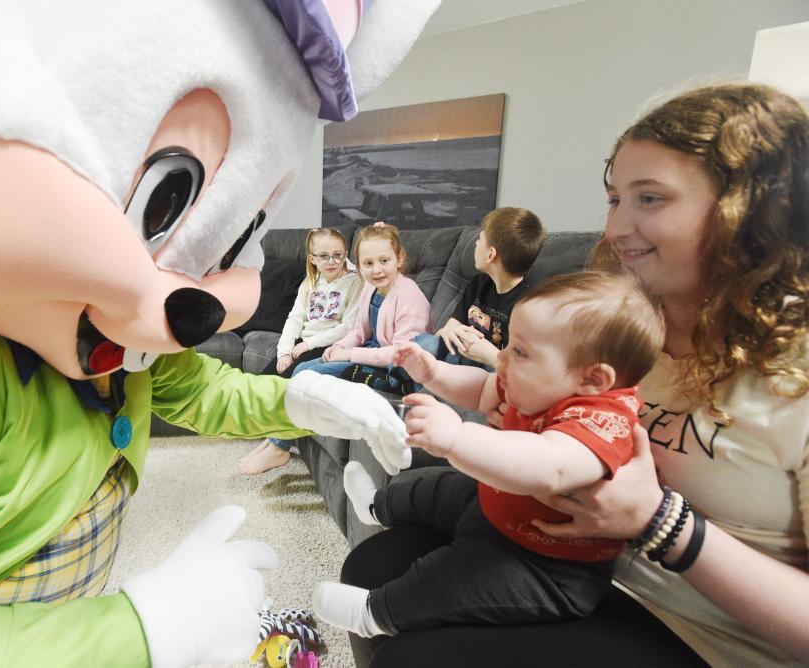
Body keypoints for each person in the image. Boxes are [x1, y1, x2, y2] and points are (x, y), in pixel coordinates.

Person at [0, 1, 439, 665]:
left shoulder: (125, 335)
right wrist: (145, 629)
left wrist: (295, 401)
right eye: (162, 201)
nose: (193, 303)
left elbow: (195, 389)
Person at [340, 82, 809, 667]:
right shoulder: (623, 327)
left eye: (651, 199)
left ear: (751, 211)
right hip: (567, 560)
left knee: (411, 654)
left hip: (698, 633)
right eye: (615, 200)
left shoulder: (796, 377)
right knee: (372, 567)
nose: (615, 229)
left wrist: (662, 524)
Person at [312, 271, 665, 638]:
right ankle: (375, 505)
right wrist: (432, 372)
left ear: (594, 380)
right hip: (495, 507)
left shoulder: (603, 421)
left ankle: (376, 614)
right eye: (509, 345)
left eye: (521, 352)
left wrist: (456, 438)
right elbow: (483, 390)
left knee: (453, 578)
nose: (503, 358)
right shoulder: (537, 380)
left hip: (543, 566)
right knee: (439, 487)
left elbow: (546, 467)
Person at [239, 227, 361, 475]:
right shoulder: (311, 282)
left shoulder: (354, 282)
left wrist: (307, 345)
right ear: (312, 257)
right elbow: (294, 318)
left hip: (329, 346)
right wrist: (285, 351)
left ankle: (280, 449)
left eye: (338, 255)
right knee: (264, 382)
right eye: (323, 255)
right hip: (303, 343)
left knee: (292, 384)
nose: (331, 261)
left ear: (345, 254)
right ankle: (273, 438)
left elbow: (347, 326)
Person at [294, 222, 433, 394]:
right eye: (368, 263)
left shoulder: (409, 295)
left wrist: (350, 354)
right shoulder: (370, 287)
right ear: (358, 266)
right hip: (369, 352)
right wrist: (340, 346)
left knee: (309, 375)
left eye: (384, 261)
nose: (376, 270)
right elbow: (359, 331)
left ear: (399, 258)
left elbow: (401, 354)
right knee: (301, 368)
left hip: (395, 366)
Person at [413, 207, 545, 369]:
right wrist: (450, 332)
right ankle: (400, 380)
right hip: (459, 355)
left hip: (490, 369)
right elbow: (449, 327)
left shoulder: (528, 306)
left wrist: (491, 356)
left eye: (480, 239)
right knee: (423, 343)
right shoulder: (479, 284)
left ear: (491, 255)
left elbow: (524, 368)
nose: (476, 242)